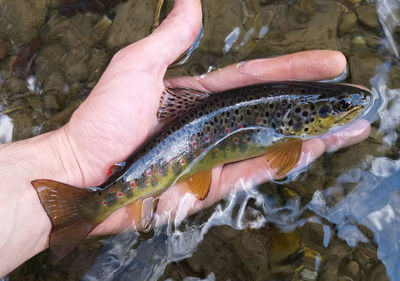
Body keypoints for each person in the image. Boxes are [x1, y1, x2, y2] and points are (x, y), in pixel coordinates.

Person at [0, 0, 370, 277]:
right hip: (177, 147)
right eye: (338, 106)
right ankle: (87, 207)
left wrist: (64, 159)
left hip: (188, 143)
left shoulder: (290, 129)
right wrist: (71, 158)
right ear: (302, 118)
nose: (350, 107)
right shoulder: (288, 139)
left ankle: (79, 209)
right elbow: (281, 160)